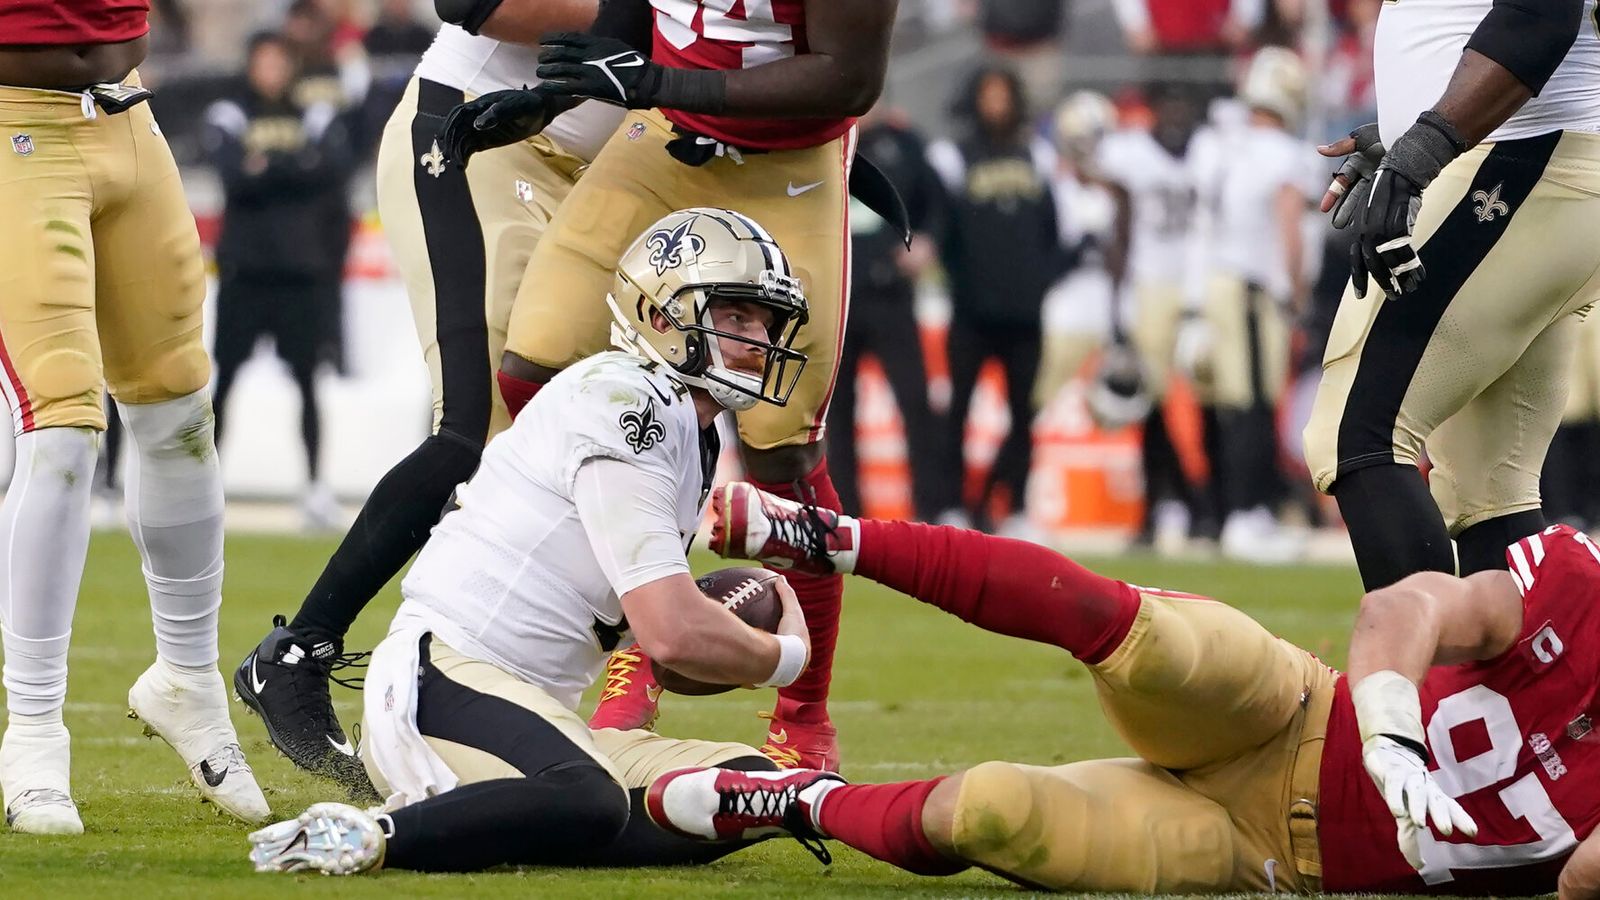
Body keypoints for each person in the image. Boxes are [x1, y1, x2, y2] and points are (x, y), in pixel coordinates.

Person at [659, 481, 1600, 895]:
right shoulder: (1578, 583)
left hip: (1265, 855)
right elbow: (1409, 606)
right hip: (1296, 709)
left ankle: (797, 801)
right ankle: (831, 536)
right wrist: (1391, 726)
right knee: (1146, 645)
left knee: (994, 814)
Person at [247, 208, 815, 877]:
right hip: (441, 681)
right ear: (662, 316)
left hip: (536, 711)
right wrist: (784, 656)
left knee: (765, 790)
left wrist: (709, 634)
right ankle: (368, 836)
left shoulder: (694, 430)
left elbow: (648, 640)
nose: (759, 341)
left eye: (766, 324)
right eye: (739, 317)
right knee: (589, 799)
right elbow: (670, 636)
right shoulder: (628, 402)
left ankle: (512, 815)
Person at [456, 0, 900, 770]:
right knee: (537, 364)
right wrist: (552, 97)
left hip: (790, 165)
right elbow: (641, 15)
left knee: (778, 449)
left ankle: (805, 708)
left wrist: (659, 81)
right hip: (664, 139)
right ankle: (642, 612)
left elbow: (847, 77)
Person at [233, 2, 616, 789]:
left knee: (594, 436)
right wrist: (649, 22)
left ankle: (513, 693)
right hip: (470, 137)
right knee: (472, 429)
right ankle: (299, 653)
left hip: (596, 173)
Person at [0, 1, 267, 832]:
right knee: (65, 425)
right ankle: (34, 728)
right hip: (15, 126)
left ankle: (187, 682)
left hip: (127, 112)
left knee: (181, 414)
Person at [1304, 0, 1600, 591]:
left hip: (1524, 164)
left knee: (1357, 434)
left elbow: (1539, 16)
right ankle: (1528, 684)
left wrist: (1424, 147)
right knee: (1488, 490)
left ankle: (1416, 679)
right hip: (1535, 164)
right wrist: (1407, 129)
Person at [205, 31, 355, 529]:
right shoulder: (229, 112)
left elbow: (331, 170)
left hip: (300, 271)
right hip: (245, 271)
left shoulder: (315, 114)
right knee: (222, 381)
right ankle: (206, 487)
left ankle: (314, 487)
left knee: (308, 381)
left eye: (278, 62)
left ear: (291, 67)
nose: (270, 71)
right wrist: (294, 167)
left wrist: (266, 166)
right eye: (262, 62)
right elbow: (232, 177)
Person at [927, 65, 1067, 538]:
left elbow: (1052, 230)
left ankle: (1015, 505)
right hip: (971, 311)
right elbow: (941, 230)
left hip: (1025, 312)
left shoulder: (1038, 154)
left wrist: (1040, 282)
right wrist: (960, 283)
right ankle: (952, 505)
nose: (996, 104)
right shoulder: (953, 156)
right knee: (957, 413)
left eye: (1004, 94)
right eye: (988, 94)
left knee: (1024, 413)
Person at [1191, 47, 1319, 563]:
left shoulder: (1218, 143)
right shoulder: (1283, 152)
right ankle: (1246, 515)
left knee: (1233, 405)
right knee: (1253, 406)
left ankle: (1235, 511)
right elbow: (1290, 225)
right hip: (1252, 287)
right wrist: (1297, 292)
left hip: (1218, 282)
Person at [1094, 81, 1218, 547]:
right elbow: (1120, 230)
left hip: (1202, 285)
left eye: (1183, 105)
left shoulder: (1211, 152)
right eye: (1168, 104)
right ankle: (1179, 504)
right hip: (1150, 285)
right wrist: (1118, 301)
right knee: (1156, 404)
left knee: (1206, 402)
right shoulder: (1132, 156)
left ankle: (1205, 505)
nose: (1175, 114)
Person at [826, 105, 946, 520]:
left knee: (915, 402)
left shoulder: (905, 143)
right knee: (835, 409)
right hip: (836, 292)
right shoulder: (822, 135)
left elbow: (937, 204)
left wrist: (927, 241)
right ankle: (846, 511)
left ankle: (931, 507)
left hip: (890, 294)